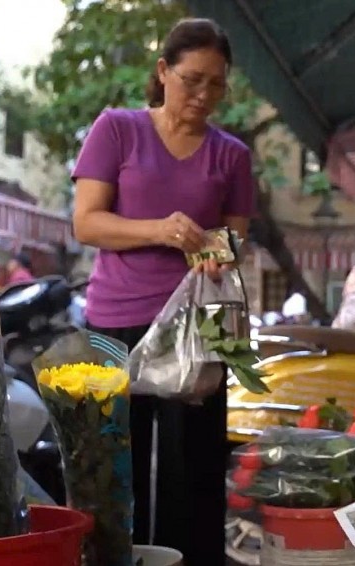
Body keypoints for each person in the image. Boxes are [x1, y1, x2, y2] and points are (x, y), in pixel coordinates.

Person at [71, 18, 254, 566]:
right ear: (162, 71)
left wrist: (216, 251)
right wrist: (158, 229)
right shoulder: (117, 129)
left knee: (193, 471)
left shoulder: (232, 155)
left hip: (198, 328)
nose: (203, 95)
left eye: (216, 84)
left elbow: (237, 237)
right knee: (111, 468)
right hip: (114, 323)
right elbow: (87, 223)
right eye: (192, 79)